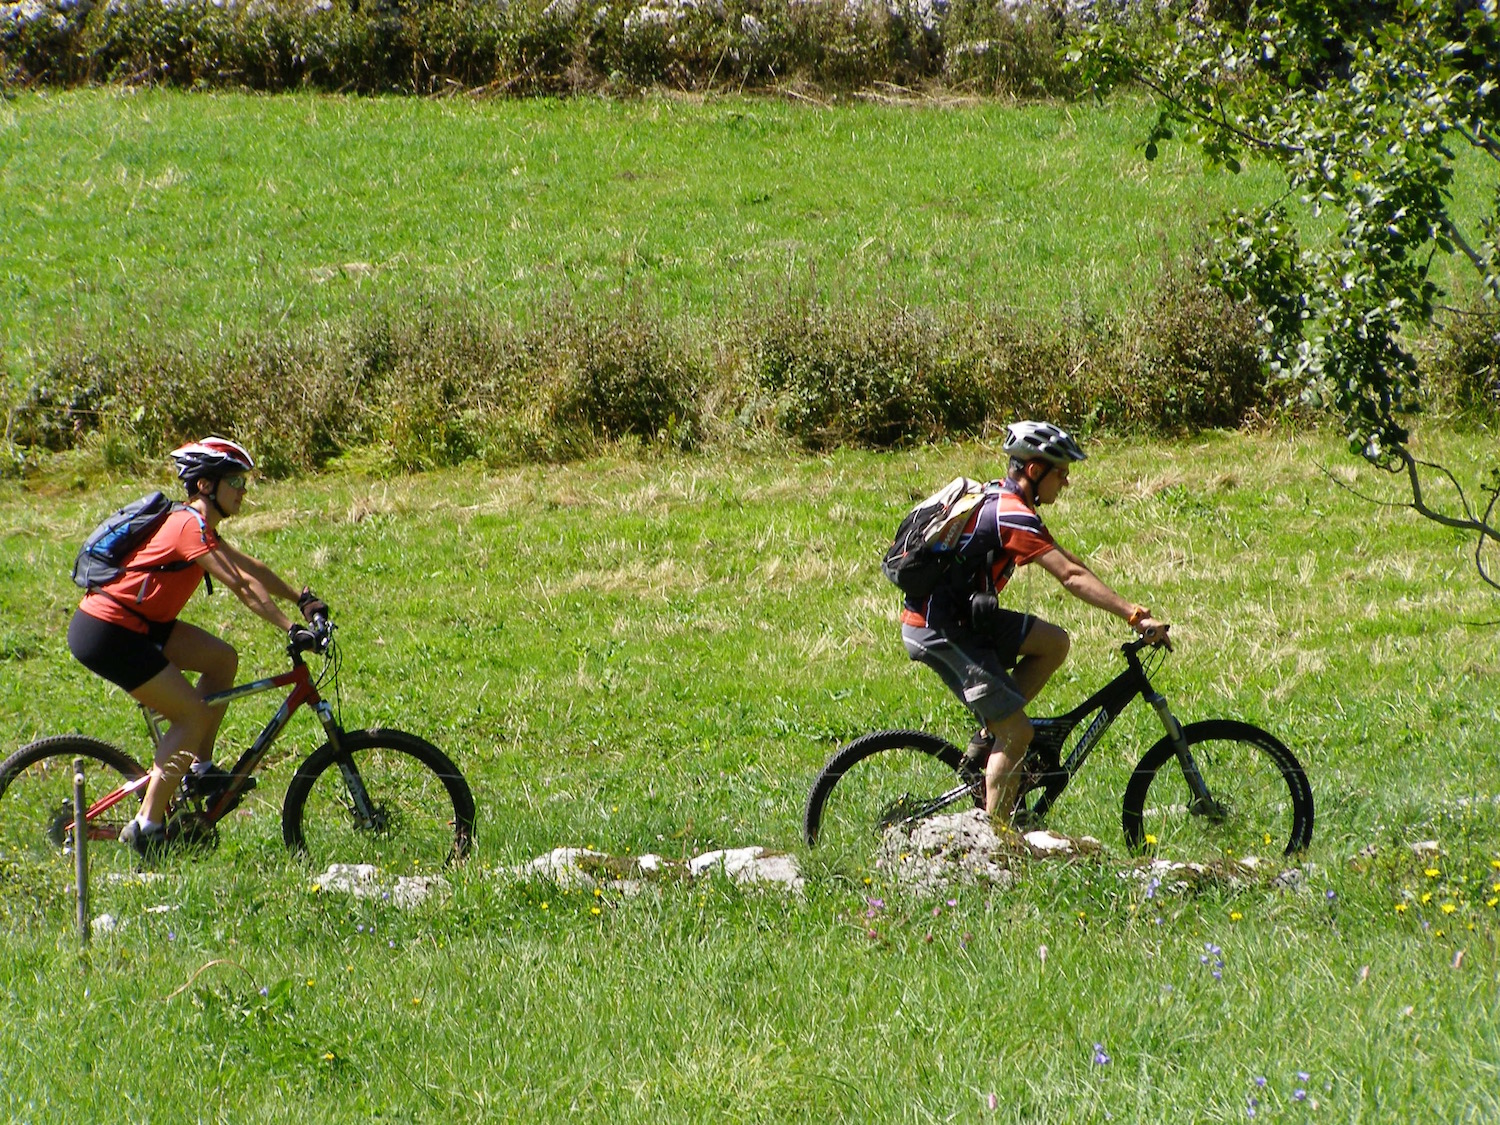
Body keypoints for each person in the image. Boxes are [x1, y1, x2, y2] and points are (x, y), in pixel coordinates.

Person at [66, 437, 328, 855]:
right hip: (108, 631)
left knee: (222, 659)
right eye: (236, 481)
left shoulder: (198, 524)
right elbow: (240, 585)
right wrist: (290, 627)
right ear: (206, 485)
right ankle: (147, 828)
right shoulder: (187, 526)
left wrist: (302, 597)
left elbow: (249, 567)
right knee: (191, 717)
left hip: (143, 625)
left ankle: (199, 771)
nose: (244, 490)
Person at [899, 420, 1169, 824]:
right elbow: (1070, 577)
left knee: (1053, 642)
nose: (1066, 482)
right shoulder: (1011, 513)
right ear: (1034, 471)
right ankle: (996, 844)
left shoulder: (1008, 502)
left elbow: (1068, 560)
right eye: (1061, 473)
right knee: (1018, 733)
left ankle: (990, 736)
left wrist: (1133, 608)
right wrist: (1131, 615)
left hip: (962, 619)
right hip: (938, 629)